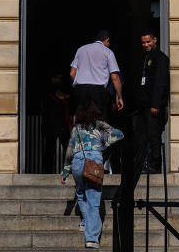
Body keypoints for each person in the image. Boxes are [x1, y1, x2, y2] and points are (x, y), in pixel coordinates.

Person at [61, 100, 124, 249]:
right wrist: (102, 144)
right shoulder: (100, 125)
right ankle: (91, 238)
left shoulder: (76, 129)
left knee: (81, 194)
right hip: (94, 160)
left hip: (78, 161)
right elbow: (119, 134)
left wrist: (65, 172)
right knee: (94, 201)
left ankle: (85, 222)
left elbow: (69, 151)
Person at [131, 29, 170, 172]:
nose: (146, 44)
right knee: (142, 135)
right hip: (144, 105)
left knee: (154, 136)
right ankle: (144, 163)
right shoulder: (146, 57)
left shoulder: (160, 58)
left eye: (148, 41)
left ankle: (155, 165)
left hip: (153, 106)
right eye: (143, 42)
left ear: (154, 40)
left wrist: (155, 104)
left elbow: (160, 82)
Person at [69, 30, 124, 118]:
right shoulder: (108, 52)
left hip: (80, 91)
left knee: (82, 119)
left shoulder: (81, 49)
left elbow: (72, 73)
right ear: (107, 40)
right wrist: (119, 96)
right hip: (98, 92)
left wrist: (81, 86)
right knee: (99, 121)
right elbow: (115, 77)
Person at [40, 72, 72, 171]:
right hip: (51, 123)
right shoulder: (48, 91)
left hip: (61, 123)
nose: (59, 80)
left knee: (66, 148)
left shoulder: (61, 90)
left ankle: (68, 170)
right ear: (52, 79)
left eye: (60, 78)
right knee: (50, 149)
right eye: (57, 78)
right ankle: (47, 171)